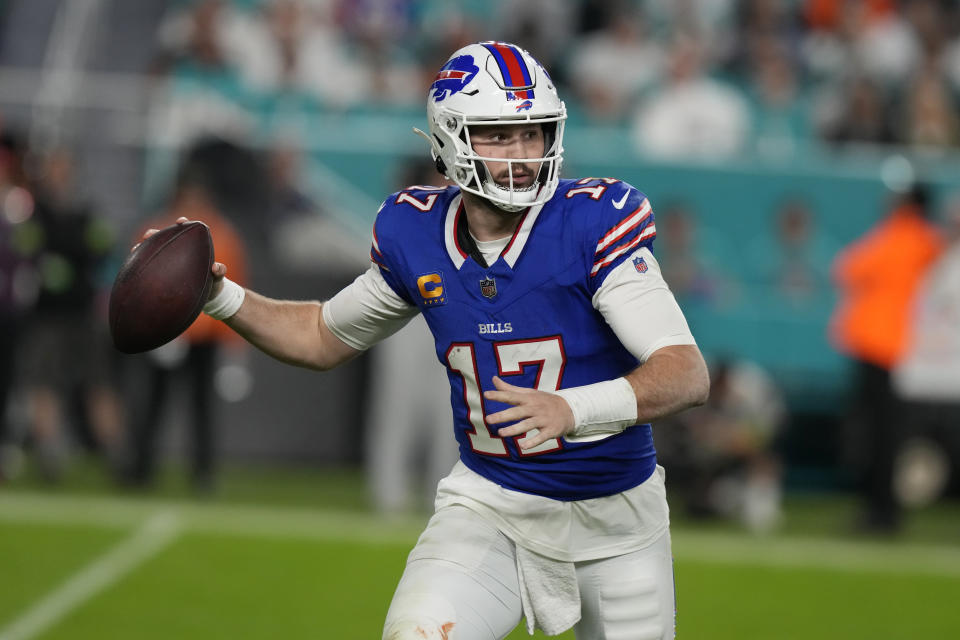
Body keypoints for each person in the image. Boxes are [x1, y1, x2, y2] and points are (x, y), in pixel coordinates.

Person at [148, 42, 709, 639]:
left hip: (618, 521)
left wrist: (575, 408)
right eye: (497, 135)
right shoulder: (416, 233)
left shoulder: (593, 221)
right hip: (494, 506)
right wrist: (221, 297)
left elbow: (685, 371)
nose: (521, 153)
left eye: (532, 133)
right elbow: (320, 335)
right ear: (450, 139)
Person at [829, 183, 943, 533]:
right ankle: (885, 511)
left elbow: (847, 268)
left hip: (879, 346)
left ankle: (880, 513)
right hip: (903, 351)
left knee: (877, 435)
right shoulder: (929, 241)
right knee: (888, 435)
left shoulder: (899, 234)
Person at [127, 177, 248, 493]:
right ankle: (141, 468)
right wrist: (150, 323)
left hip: (204, 336)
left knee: (202, 410)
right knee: (154, 406)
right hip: (166, 332)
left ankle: (203, 473)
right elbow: (138, 281)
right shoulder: (158, 229)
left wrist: (234, 352)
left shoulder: (223, 234)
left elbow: (234, 288)